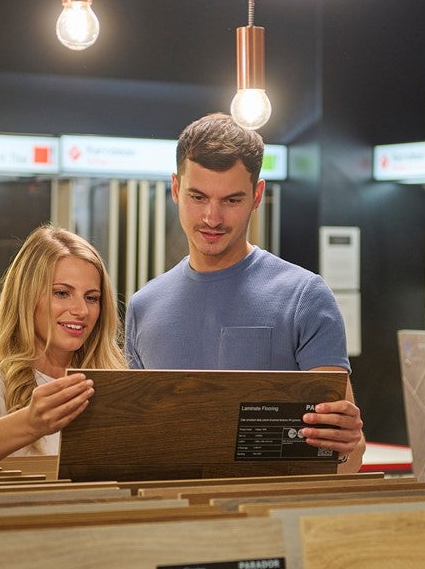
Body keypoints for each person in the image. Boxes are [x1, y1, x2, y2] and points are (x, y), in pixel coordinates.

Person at [124, 113, 365, 471]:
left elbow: (345, 455)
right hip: (170, 504)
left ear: (257, 196)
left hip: (273, 504)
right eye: (198, 197)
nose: (212, 217)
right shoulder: (144, 306)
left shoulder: (305, 297)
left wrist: (347, 442)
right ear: (175, 189)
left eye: (232, 200)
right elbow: (135, 443)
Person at [0, 225, 125, 470]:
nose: (81, 310)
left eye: (91, 298)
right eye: (62, 293)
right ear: (26, 298)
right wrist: (31, 423)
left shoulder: (116, 387)